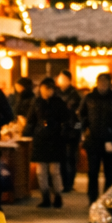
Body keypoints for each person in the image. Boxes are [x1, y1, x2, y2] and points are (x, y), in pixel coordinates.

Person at [79, 72, 112, 202]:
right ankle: (92, 198)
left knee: (110, 173)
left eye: (105, 82)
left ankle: (108, 198)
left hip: (110, 140)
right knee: (93, 171)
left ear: (109, 84)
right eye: (101, 82)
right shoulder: (89, 98)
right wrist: (84, 128)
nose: (103, 85)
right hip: (93, 139)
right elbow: (81, 115)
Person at [24, 77, 71, 208]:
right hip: (40, 139)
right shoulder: (37, 102)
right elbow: (31, 120)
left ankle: (57, 196)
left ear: (53, 90)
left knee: (54, 171)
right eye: (44, 89)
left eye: (48, 89)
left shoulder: (59, 102)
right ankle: (45, 197)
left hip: (56, 139)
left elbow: (68, 120)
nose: (46, 91)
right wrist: (27, 133)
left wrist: (65, 133)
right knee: (41, 171)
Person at [56, 70, 82, 192]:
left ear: (68, 80)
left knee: (71, 158)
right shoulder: (56, 94)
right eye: (59, 78)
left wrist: (77, 130)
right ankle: (63, 182)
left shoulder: (75, 95)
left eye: (62, 78)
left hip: (72, 132)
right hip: (59, 131)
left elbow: (80, 117)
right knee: (61, 158)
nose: (60, 80)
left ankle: (69, 183)